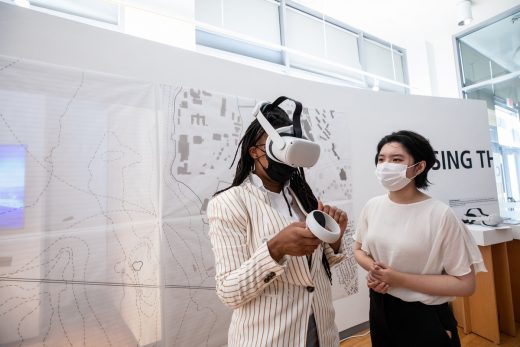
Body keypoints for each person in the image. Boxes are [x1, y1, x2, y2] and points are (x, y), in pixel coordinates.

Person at [207, 98, 348, 347]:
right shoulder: (230, 203)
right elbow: (228, 292)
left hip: (321, 328)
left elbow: (319, 265)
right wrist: (274, 250)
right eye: (278, 146)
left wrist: (334, 240)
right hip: (270, 337)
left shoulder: (302, 196)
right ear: (254, 151)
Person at [353, 130, 486, 347]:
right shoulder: (372, 206)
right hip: (380, 305)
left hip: (425, 315)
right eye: (381, 159)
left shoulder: (440, 214)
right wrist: (376, 272)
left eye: (396, 159)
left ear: (419, 167)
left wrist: (397, 278)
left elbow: (465, 285)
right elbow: (359, 250)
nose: (386, 165)